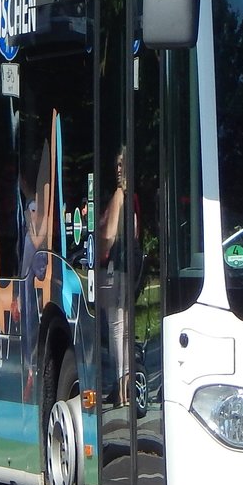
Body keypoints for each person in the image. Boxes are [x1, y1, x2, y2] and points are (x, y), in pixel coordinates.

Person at [97, 148, 139, 406]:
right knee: (124, 330)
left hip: (112, 269)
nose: (119, 169)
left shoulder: (118, 196)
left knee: (115, 328)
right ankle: (125, 385)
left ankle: (118, 384)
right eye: (117, 164)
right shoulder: (133, 198)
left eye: (123, 164)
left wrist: (97, 250)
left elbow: (108, 236)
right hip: (127, 269)